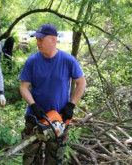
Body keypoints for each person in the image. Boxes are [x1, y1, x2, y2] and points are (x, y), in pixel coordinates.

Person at [19, 23, 86, 165]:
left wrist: (71, 105)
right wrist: (33, 105)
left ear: (53, 40)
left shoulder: (68, 60)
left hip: (59, 119)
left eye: (41, 39)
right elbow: (23, 87)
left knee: (55, 160)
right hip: (35, 118)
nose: (38, 42)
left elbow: (81, 83)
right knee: (30, 160)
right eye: (37, 39)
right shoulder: (32, 61)